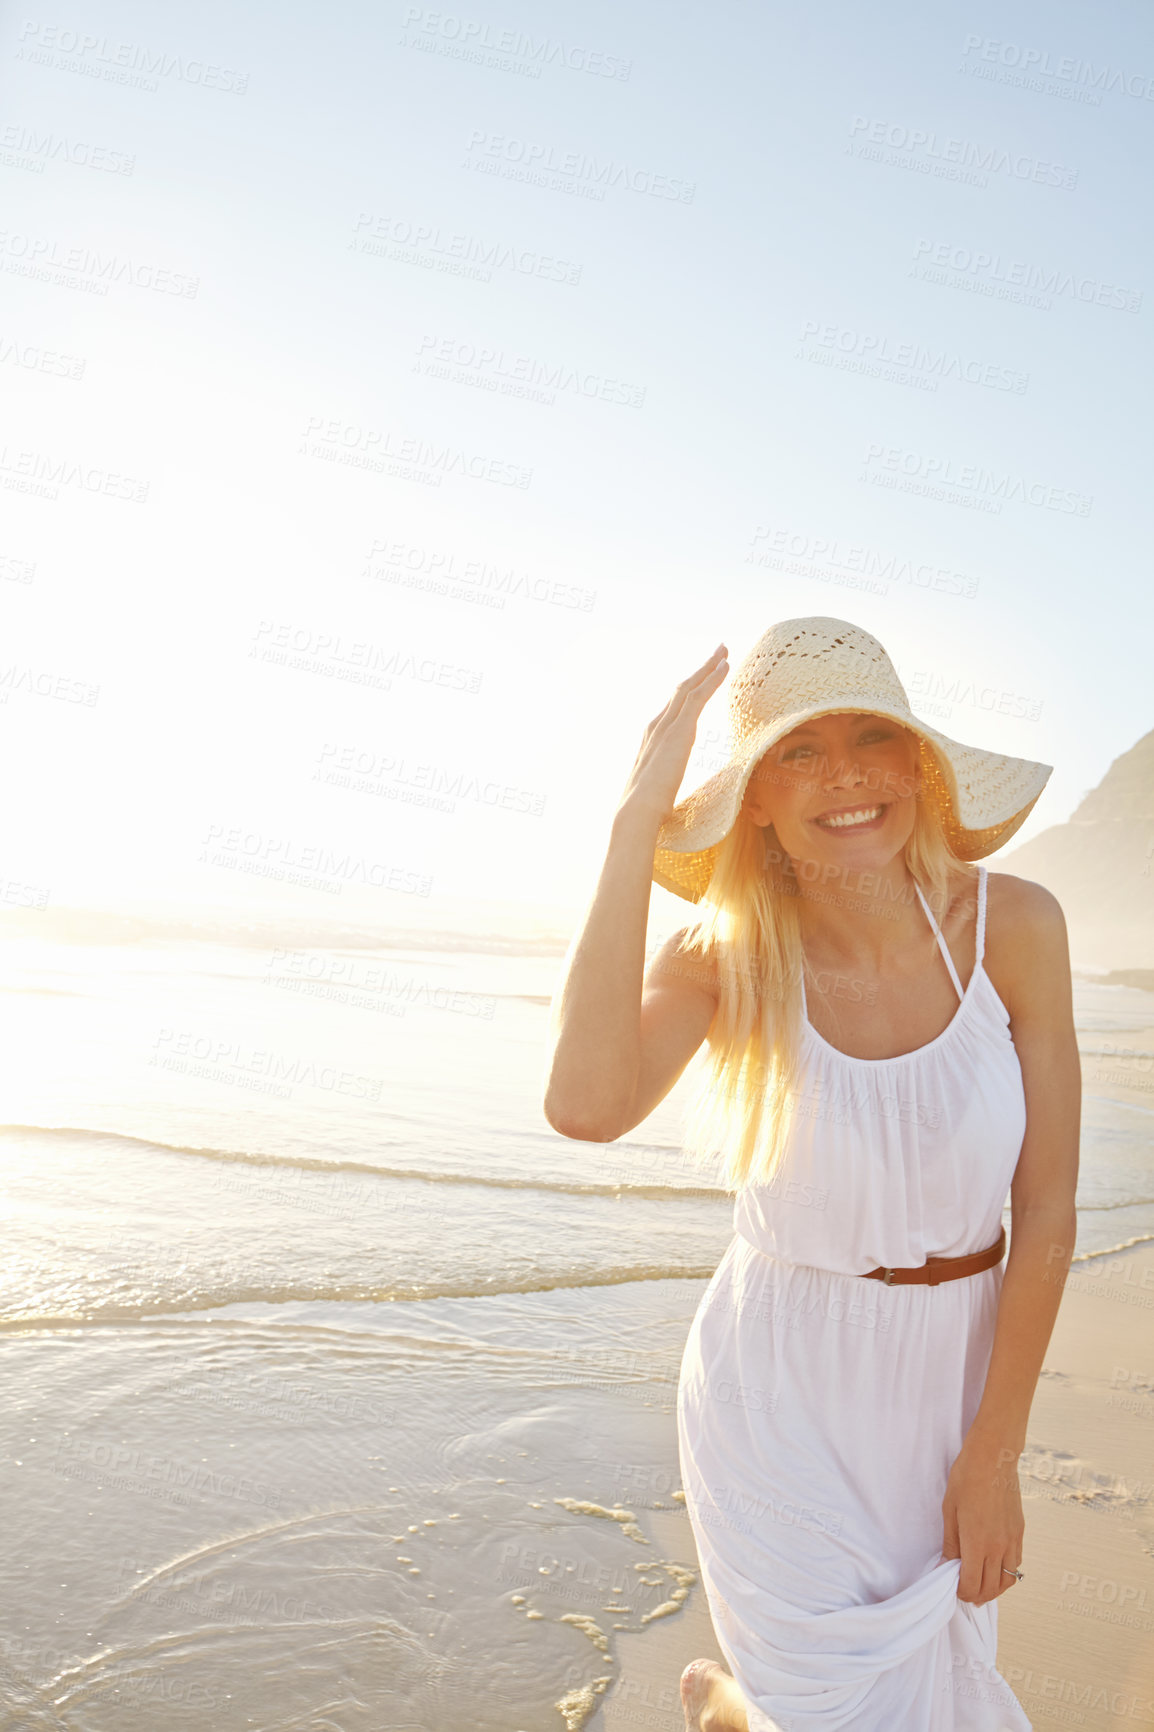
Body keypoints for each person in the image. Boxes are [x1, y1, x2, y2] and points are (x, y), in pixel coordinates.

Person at [543, 617, 1080, 1732]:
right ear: (752, 796)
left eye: (868, 736)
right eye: (797, 749)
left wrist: (993, 1456)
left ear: (915, 764)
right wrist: (630, 821)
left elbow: (1044, 1213)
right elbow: (585, 1105)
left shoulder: (1014, 927)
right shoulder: (726, 954)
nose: (842, 774)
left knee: (931, 1701)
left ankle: (730, 1708)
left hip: (949, 1383)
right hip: (775, 1388)